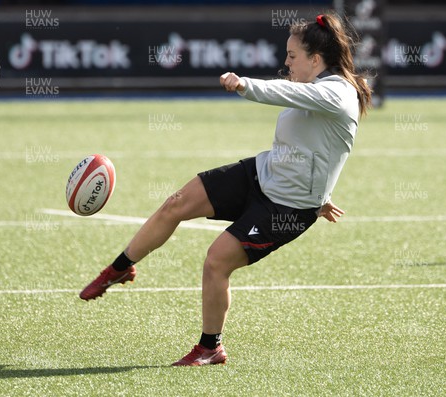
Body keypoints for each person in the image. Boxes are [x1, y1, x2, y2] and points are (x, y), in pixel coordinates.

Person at [79, 13, 372, 367]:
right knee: (176, 204)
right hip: (261, 174)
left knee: (216, 262)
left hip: (287, 209)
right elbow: (318, 143)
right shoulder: (318, 89)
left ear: (315, 59)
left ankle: (210, 348)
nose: (285, 62)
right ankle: (120, 268)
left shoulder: (338, 92)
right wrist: (322, 192)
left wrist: (243, 84)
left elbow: (287, 94)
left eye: (292, 56)